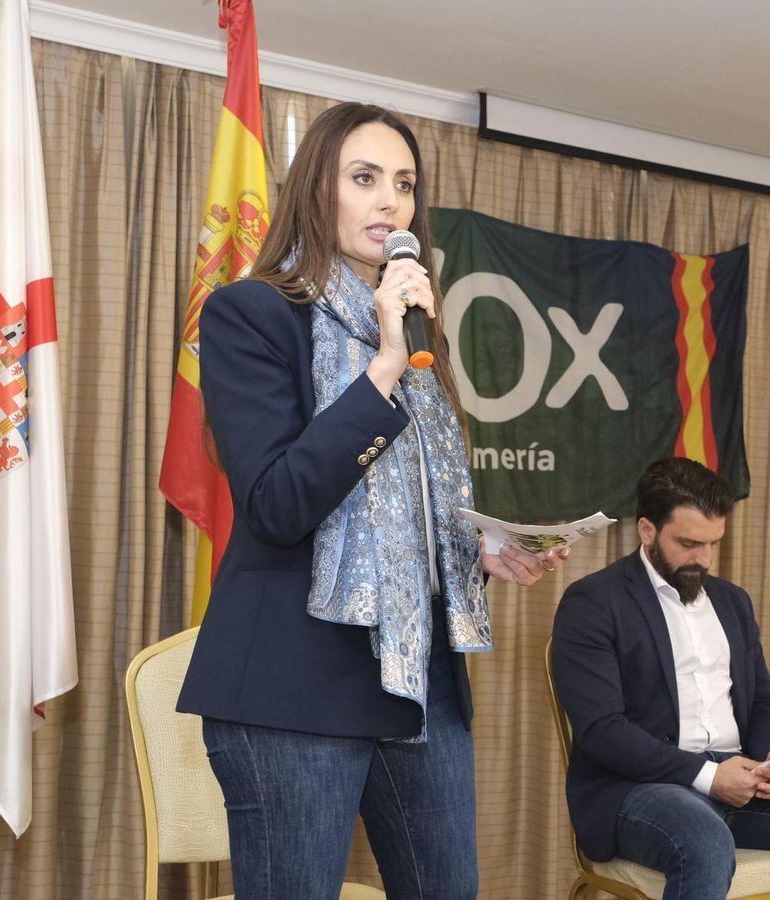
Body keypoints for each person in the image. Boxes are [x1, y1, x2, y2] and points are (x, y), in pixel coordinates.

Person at [175, 102, 566, 900]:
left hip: (419, 683)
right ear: (318, 191)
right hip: (293, 687)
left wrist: (482, 549)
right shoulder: (250, 316)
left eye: (404, 184)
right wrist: (384, 366)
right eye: (364, 179)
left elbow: (406, 503)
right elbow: (279, 505)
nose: (390, 203)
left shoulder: (421, 336)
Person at [551, 458, 770, 900]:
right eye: (688, 543)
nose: (702, 560)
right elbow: (603, 732)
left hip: (742, 775)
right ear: (647, 530)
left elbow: (762, 699)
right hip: (640, 789)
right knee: (703, 841)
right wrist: (708, 776)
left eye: (713, 544)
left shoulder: (732, 602)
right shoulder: (594, 602)